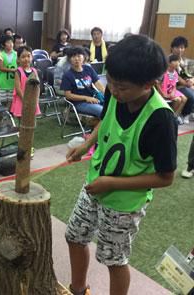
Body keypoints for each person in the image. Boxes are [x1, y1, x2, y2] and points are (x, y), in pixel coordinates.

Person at [65, 35, 177, 295]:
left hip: (123, 204)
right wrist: (85, 144)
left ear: (149, 83)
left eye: (122, 87)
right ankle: (78, 289)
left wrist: (112, 183)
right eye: (111, 82)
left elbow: (165, 177)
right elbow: (105, 120)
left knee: (113, 259)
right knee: (74, 236)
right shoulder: (114, 91)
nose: (114, 90)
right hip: (95, 184)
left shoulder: (161, 120)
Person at [60, 46, 105, 118]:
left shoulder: (88, 69)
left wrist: (106, 95)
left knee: (112, 108)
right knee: (102, 111)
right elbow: (68, 95)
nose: (76, 59)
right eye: (73, 56)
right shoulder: (67, 75)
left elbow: (98, 84)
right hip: (79, 103)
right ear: (69, 59)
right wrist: (86, 98)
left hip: (94, 98)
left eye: (79, 56)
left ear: (84, 57)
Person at [11, 46, 41, 118]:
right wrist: (25, 101)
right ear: (18, 59)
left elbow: (37, 86)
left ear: (32, 57)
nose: (26, 59)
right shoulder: (18, 72)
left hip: (32, 100)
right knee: (22, 120)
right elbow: (18, 89)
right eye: (23, 57)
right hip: (22, 100)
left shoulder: (34, 71)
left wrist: (36, 99)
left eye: (28, 56)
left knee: (31, 120)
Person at [157, 54, 187, 124]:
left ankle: (175, 116)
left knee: (184, 99)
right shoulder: (164, 72)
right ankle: (170, 116)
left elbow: (174, 85)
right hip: (163, 91)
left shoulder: (175, 73)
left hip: (171, 90)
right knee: (178, 99)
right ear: (169, 63)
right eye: (175, 61)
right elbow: (157, 84)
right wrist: (163, 94)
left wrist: (173, 92)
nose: (177, 62)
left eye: (178, 61)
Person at [170, 36, 194, 123]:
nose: (179, 50)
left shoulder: (185, 61)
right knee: (191, 95)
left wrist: (192, 80)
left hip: (186, 84)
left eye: (182, 47)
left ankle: (191, 112)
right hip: (175, 86)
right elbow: (173, 74)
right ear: (172, 48)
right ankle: (184, 114)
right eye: (177, 47)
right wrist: (185, 83)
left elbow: (190, 74)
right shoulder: (169, 60)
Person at [0, 35, 18, 104]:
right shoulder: (1, 54)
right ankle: (3, 114)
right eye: (8, 42)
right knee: (3, 100)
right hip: (3, 82)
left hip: (13, 82)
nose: (11, 44)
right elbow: (1, 68)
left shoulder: (16, 54)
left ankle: (8, 114)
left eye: (12, 42)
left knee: (11, 101)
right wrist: (13, 70)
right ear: (3, 44)